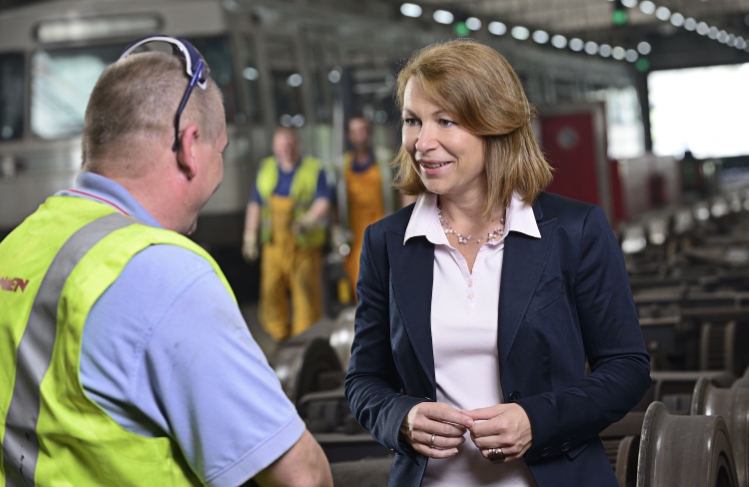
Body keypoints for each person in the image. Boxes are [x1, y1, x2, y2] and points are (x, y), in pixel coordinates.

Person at [0, 37, 332, 487]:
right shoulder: (164, 273)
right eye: (221, 148)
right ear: (189, 146)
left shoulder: (19, 245)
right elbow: (303, 478)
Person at [345, 40, 651, 487]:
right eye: (413, 120)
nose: (422, 142)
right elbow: (365, 380)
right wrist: (402, 418)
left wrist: (536, 420)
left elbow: (626, 367)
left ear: (494, 124)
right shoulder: (387, 243)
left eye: (445, 121)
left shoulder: (574, 230)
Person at [242, 128, 332, 341]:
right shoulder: (265, 170)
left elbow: (324, 199)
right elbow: (255, 204)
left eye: (290, 145)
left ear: (298, 145)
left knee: (305, 293)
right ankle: (279, 336)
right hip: (273, 245)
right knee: (271, 291)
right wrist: (249, 237)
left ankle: (307, 339)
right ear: (275, 148)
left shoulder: (314, 169)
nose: (287, 150)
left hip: (303, 246)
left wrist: (309, 219)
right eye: (282, 146)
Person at [335, 117, 394, 296]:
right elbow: (335, 201)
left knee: (386, 281)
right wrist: (336, 230)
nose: (360, 135)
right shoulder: (340, 166)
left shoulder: (386, 160)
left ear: (370, 133)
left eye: (363, 130)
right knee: (359, 282)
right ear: (349, 136)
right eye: (355, 131)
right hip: (355, 237)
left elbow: (403, 193)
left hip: (383, 232)